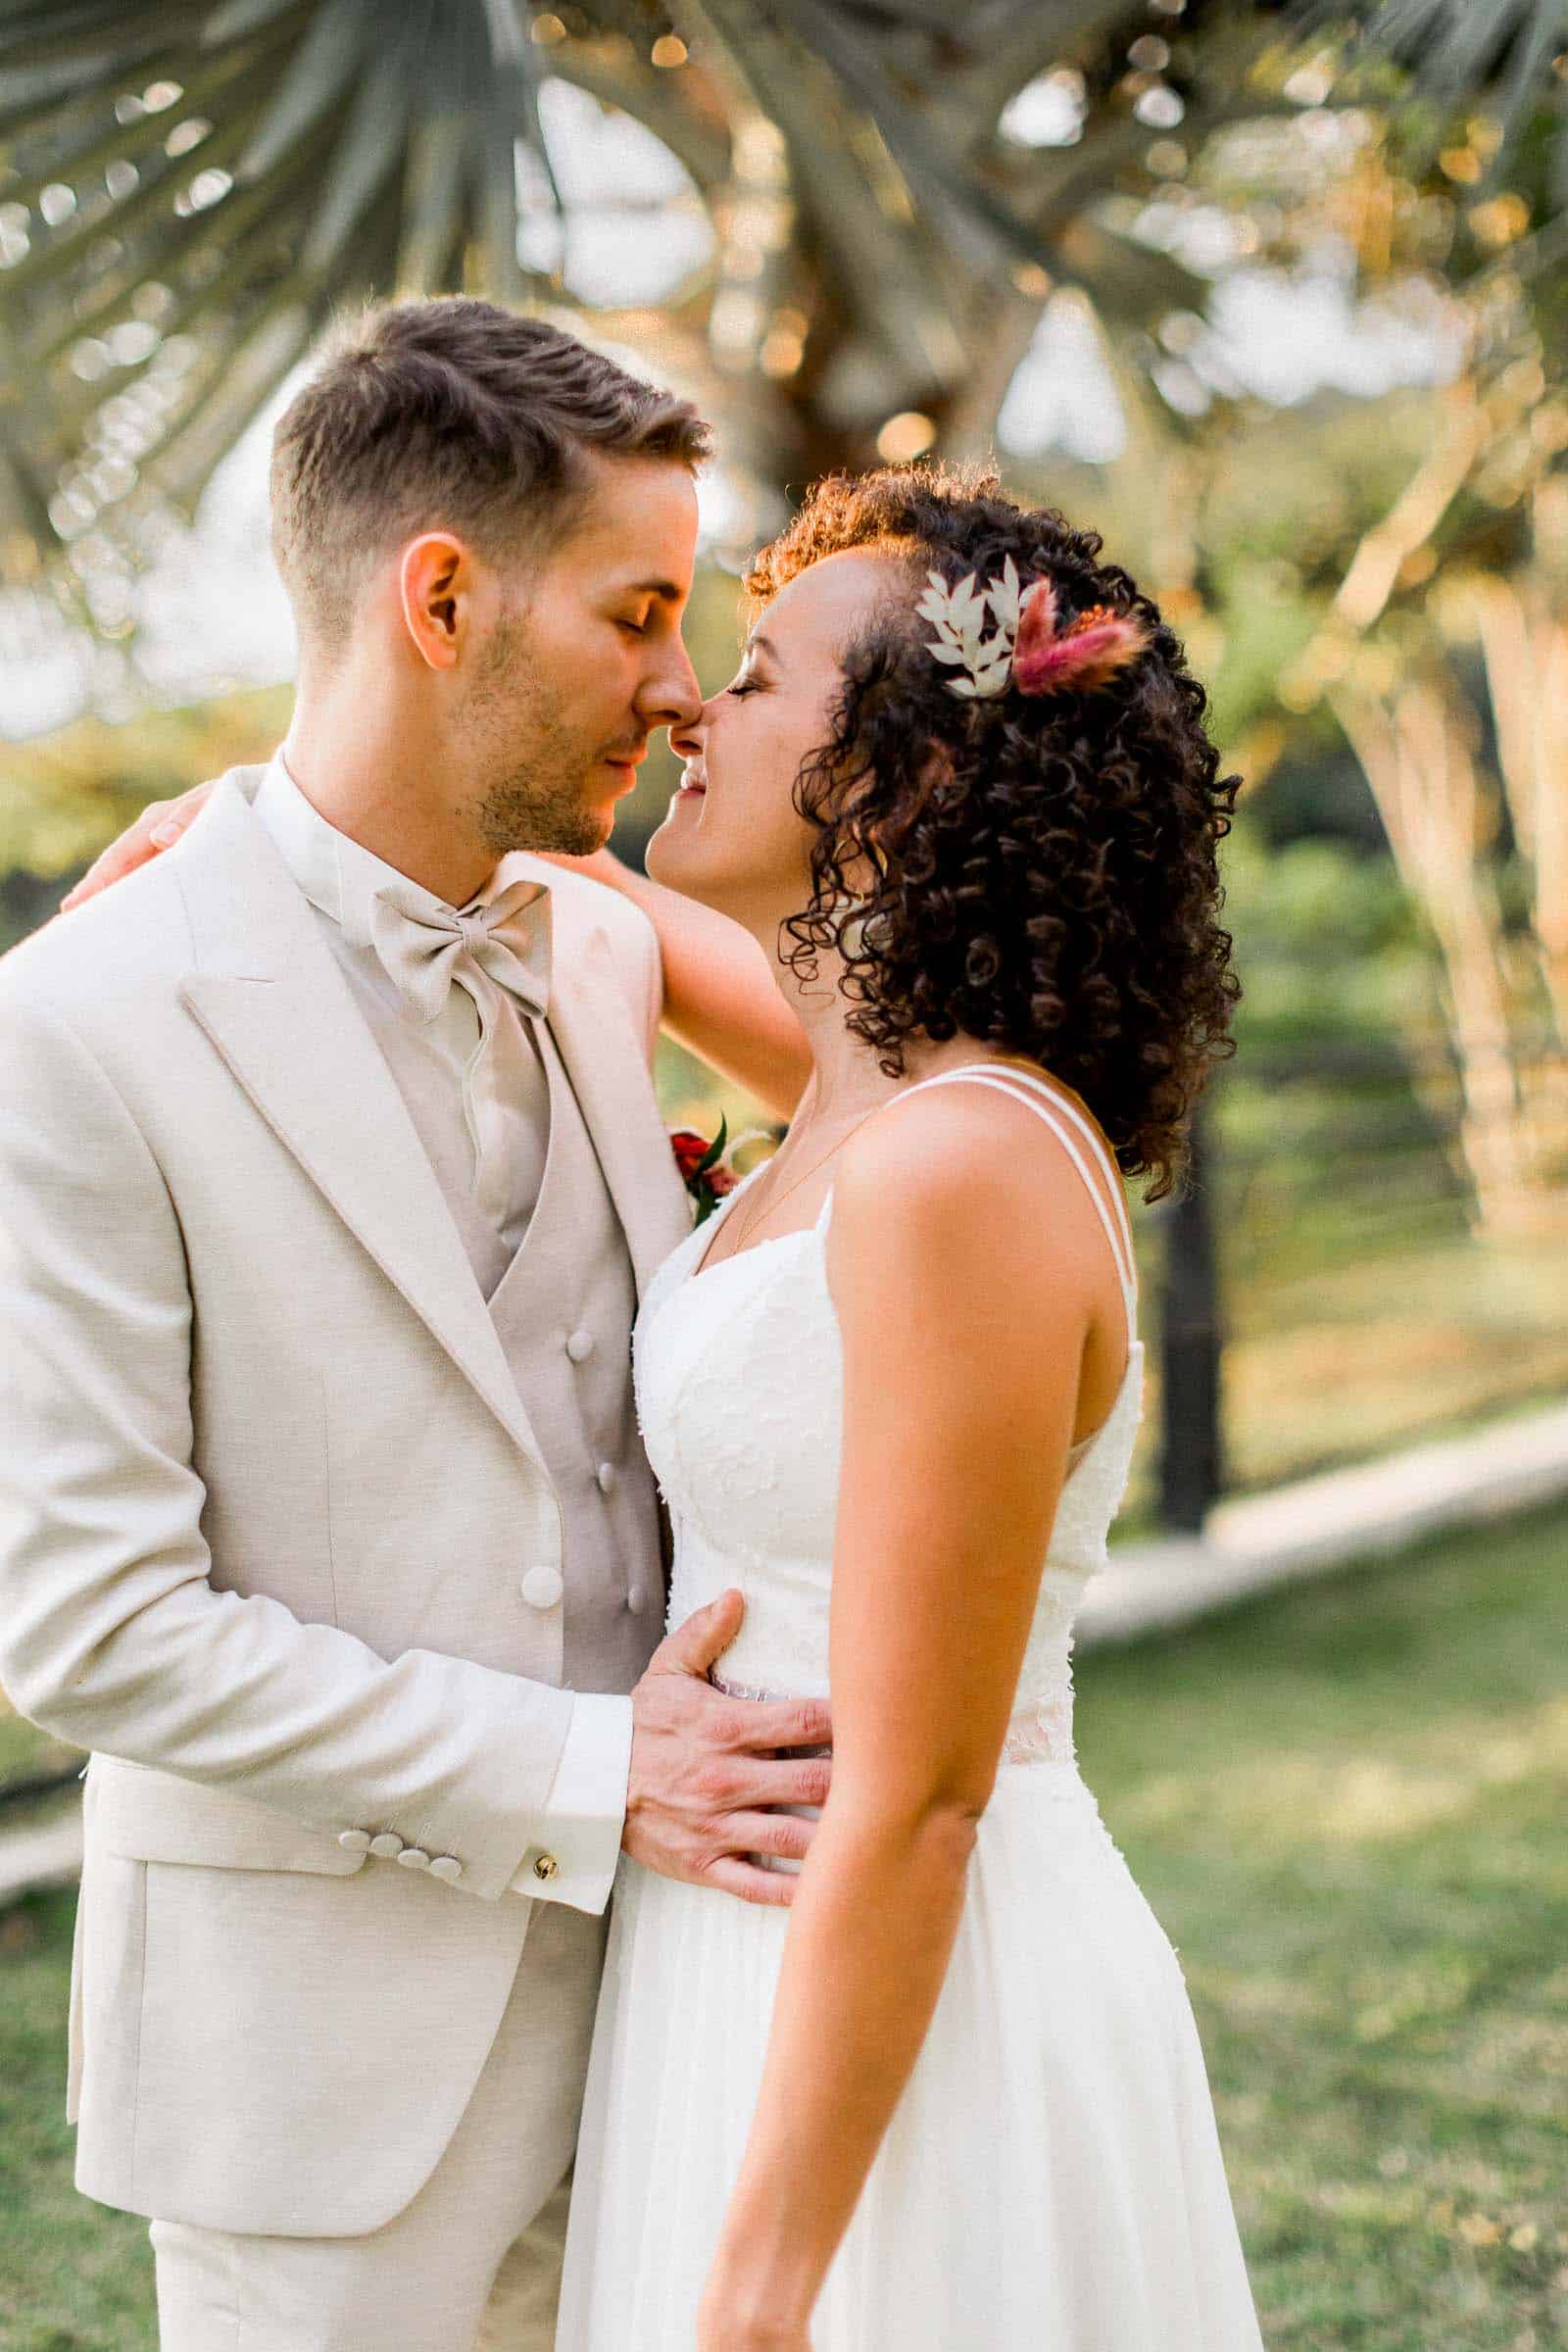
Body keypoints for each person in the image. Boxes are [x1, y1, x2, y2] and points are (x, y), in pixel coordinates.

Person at [53, 449, 1263, 2344]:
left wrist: (763, 2293)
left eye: (759, 672)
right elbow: (500, 862)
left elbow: (924, 1798)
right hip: (713, 1960)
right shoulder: (865, 1090)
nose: (696, 693)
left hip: (895, 1985)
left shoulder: (958, 1162)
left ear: (904, 773)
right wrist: (241, 823)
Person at [0, 296, 827, 2352]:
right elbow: (89, 1629)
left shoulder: (604, 941)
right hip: (314, 2089)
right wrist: (582, 1772)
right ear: (438, 596)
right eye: (636, 615)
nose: (675, 689)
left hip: (673, 2019)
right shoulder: (85, 1027)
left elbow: (920, 1097)